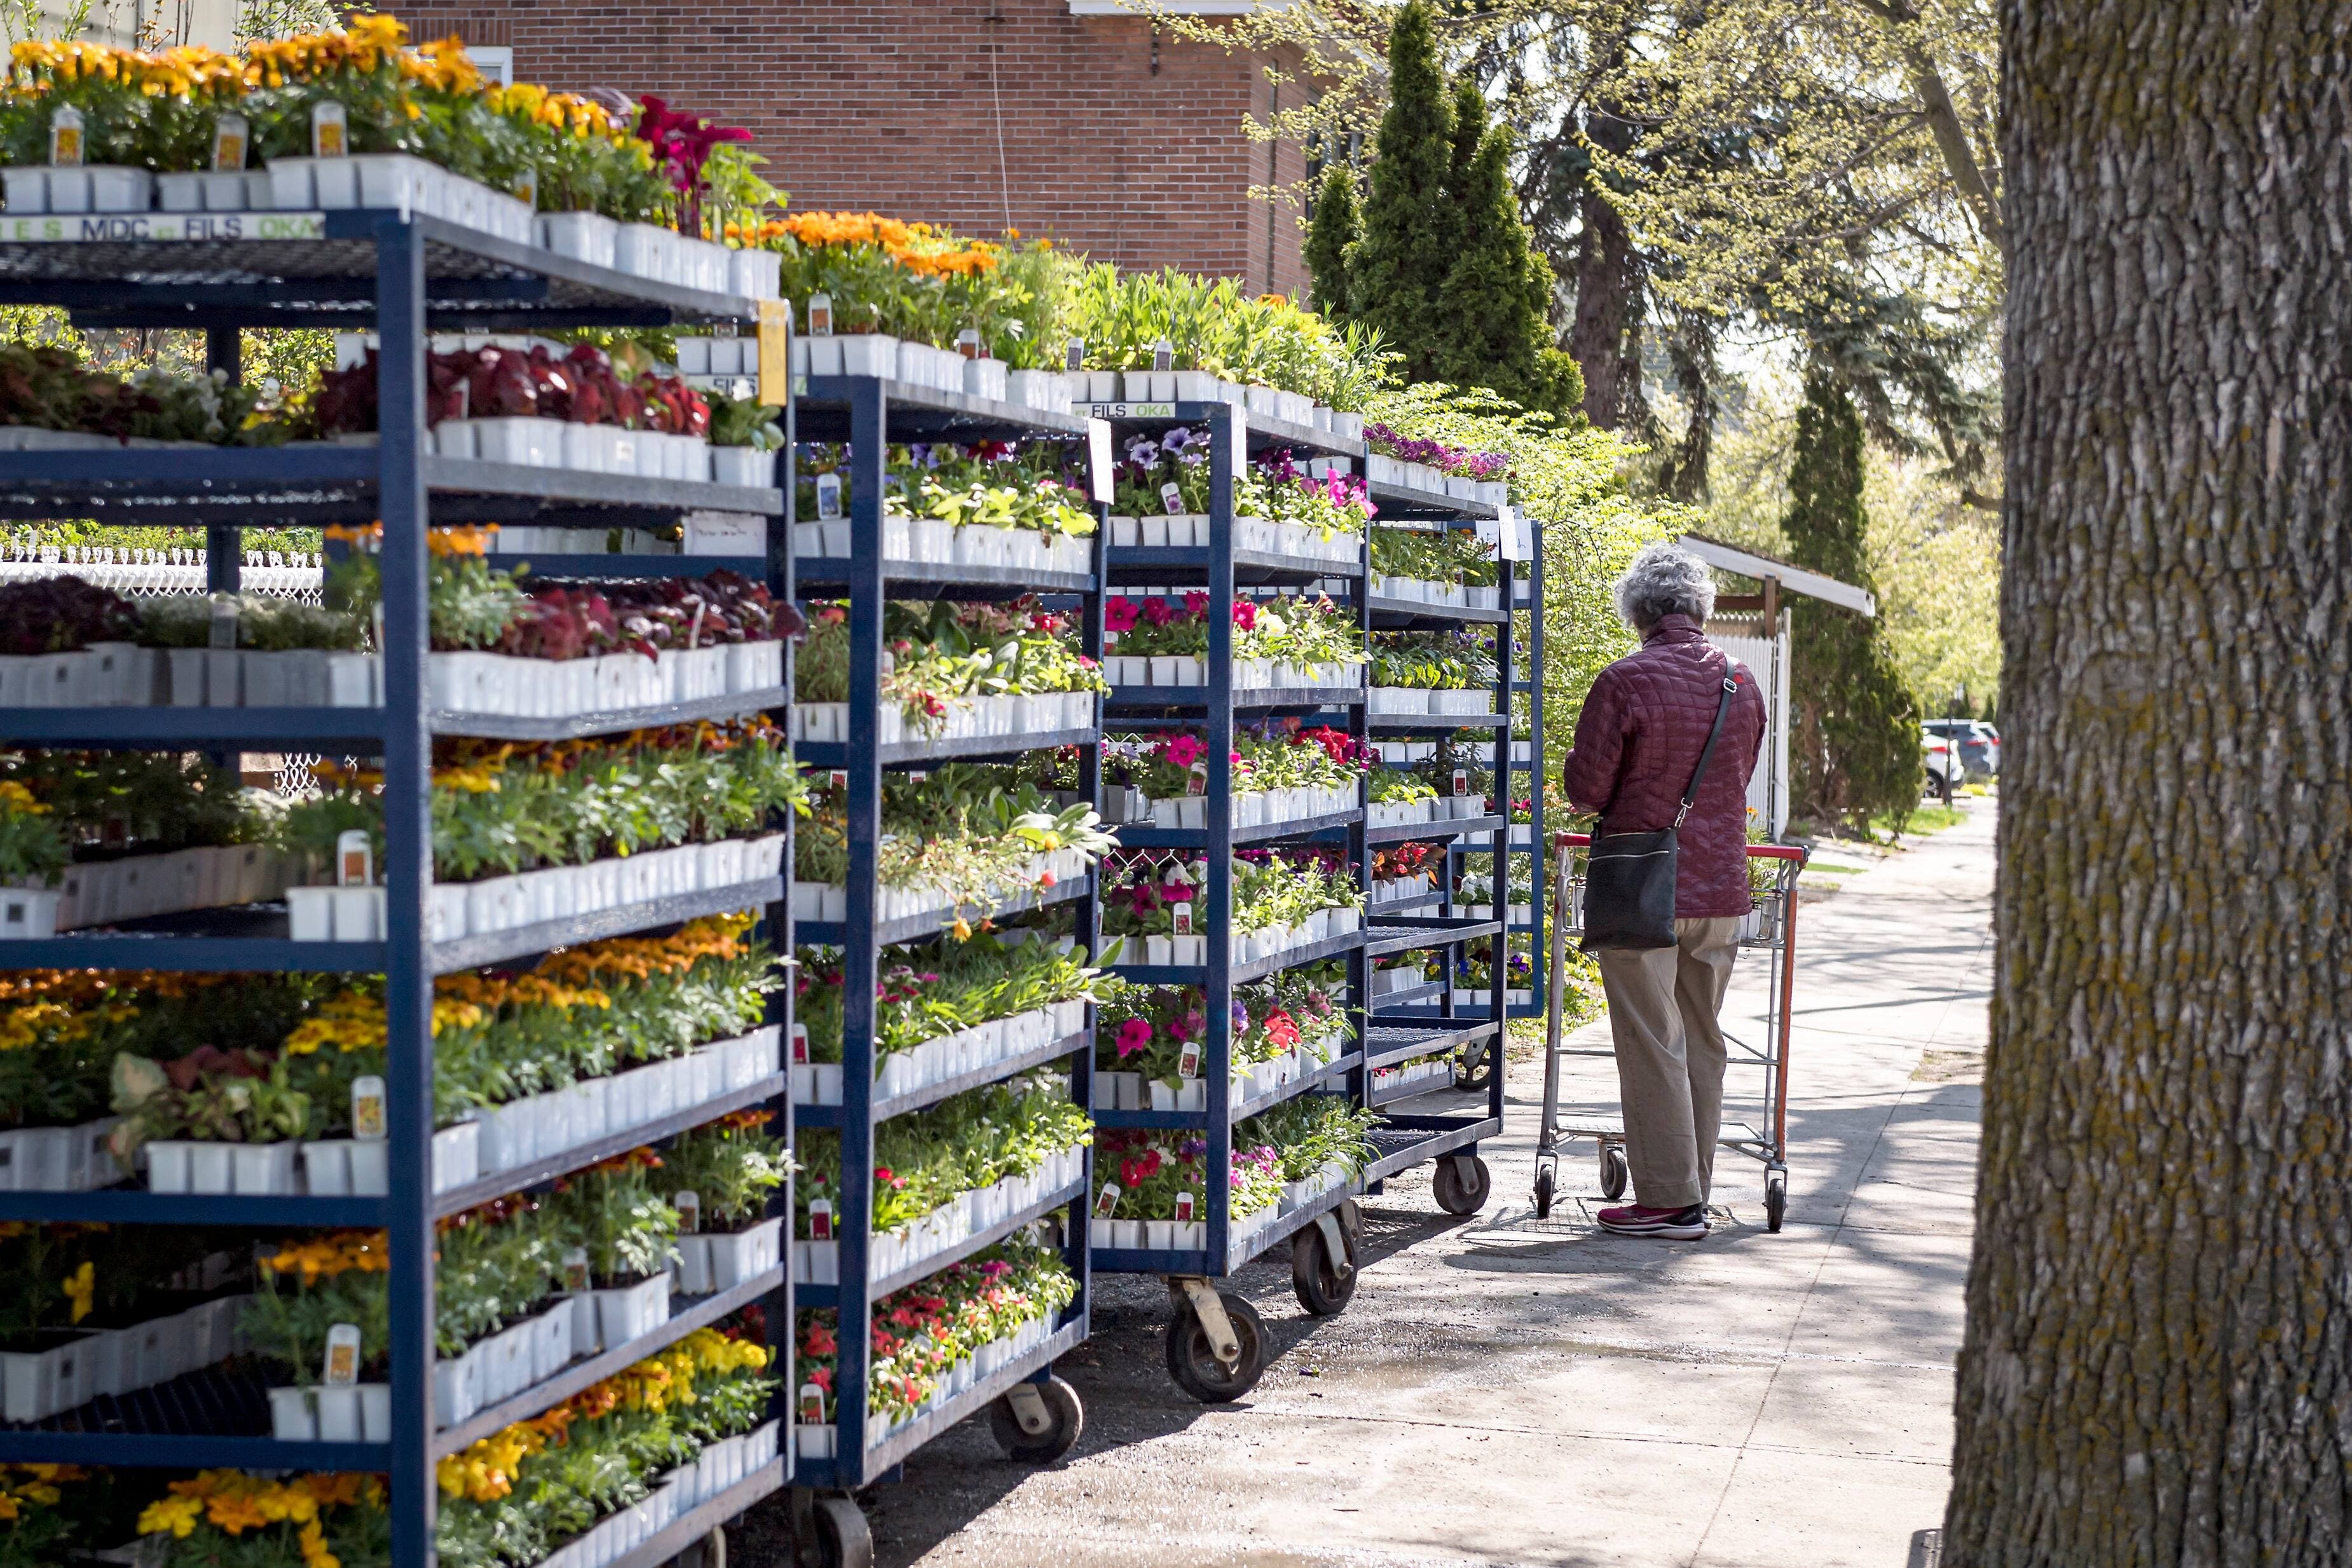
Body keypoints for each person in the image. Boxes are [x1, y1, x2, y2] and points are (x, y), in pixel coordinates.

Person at [1562, 543, 1766, 1239]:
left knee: (1652, 1039)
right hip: (1719, 887)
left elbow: (1586, 791)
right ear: (1700, 610)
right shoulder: (1743, 682)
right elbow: (1734, 780)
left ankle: (1668, 1202)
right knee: (1703, 1037)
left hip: (1641, 884)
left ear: (1638, 612)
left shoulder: (1622, 681)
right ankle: (1693, 1189)